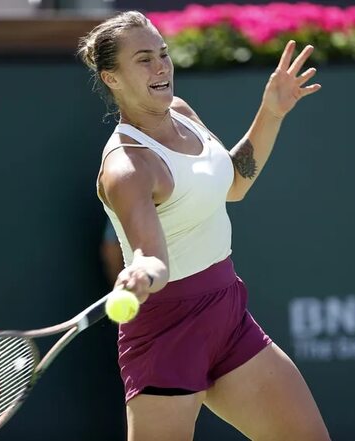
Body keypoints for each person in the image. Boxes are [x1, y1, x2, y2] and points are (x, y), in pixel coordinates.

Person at [79, 11, 330, 441]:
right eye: (143, 59)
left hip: (227, 314)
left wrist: (271, 112)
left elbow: (234, 183)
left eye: (162, 54)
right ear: (111, 78)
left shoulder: (181, 112)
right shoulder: (127, 167)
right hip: (165, 335)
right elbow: (152, 255)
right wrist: (141, 272)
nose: (160, 66)